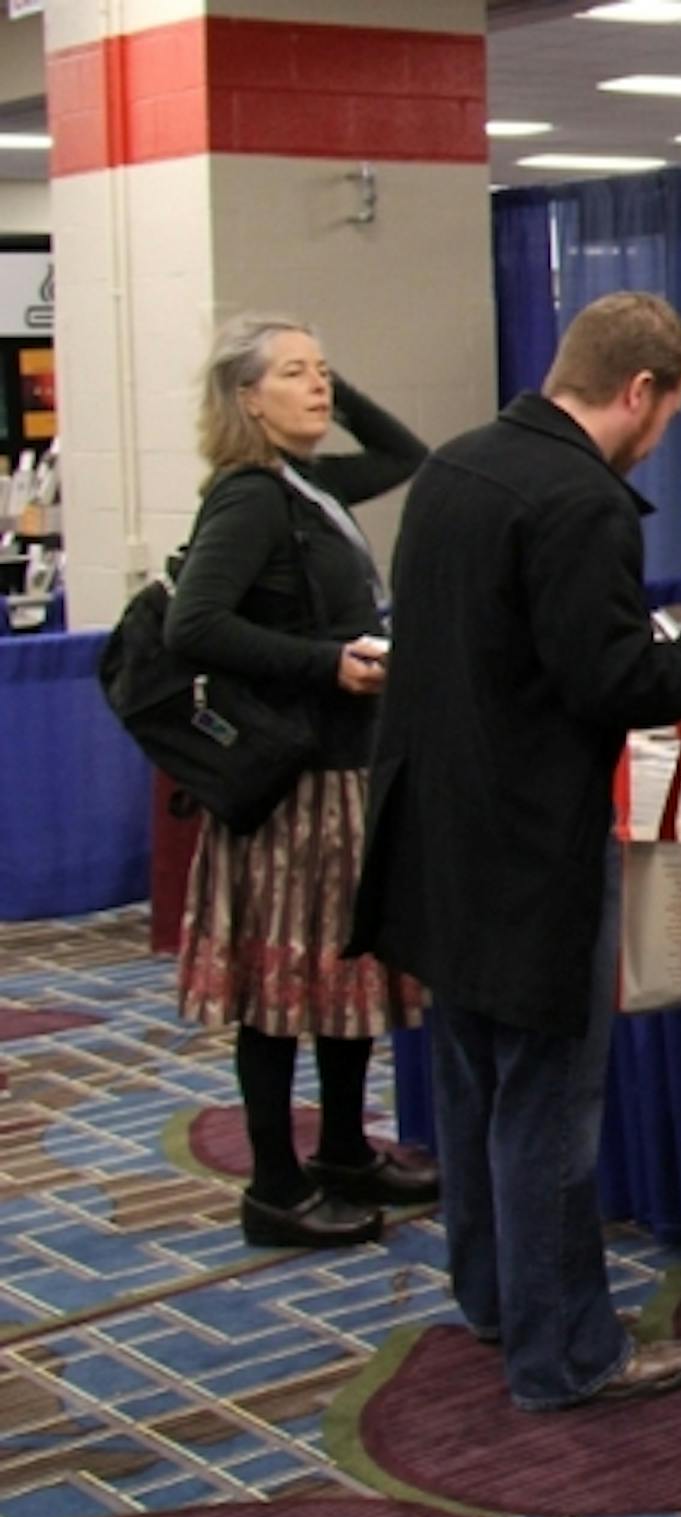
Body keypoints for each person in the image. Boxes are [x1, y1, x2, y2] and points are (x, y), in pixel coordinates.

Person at [347, 292, 681, 1410]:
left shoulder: (458, 467)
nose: (662, 434)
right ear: (639, 393)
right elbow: (609, 681)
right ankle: (567, 1350)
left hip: (440, 834)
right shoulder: (583, 502)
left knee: (475, 1089)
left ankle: (497, 1297)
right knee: (549, 1109)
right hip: (532, 854)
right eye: (668, 412)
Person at [166, 313, 433, 1250]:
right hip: (293, 787)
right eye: (295, 374)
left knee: (346, 976)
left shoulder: (307, 481)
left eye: (324, 372)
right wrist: (326, 664)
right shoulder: (248, 497)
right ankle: (275, 1186)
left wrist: (330, 374)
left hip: (344, 770)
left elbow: (404, 451)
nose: (319, 387)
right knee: (278, 993)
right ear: (247, 398)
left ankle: (347, 1151)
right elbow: (191, 626)